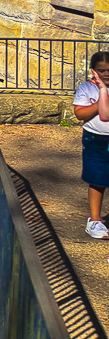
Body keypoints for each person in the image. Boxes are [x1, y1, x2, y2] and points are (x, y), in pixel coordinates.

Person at [73, 51, 109, 238]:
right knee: (97, 179)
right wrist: (101, 98)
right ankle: (95, 220)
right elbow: (80, 114)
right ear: (94, 71)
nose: (106, 74)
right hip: (95, 139)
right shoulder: (87, 88)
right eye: (102, 71)